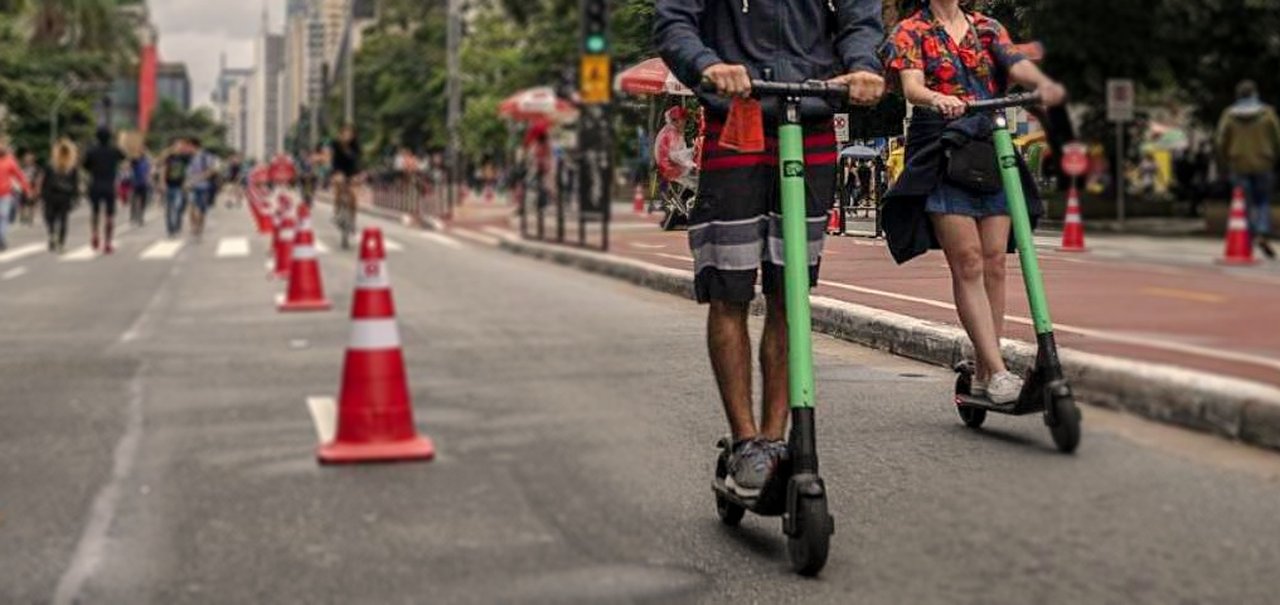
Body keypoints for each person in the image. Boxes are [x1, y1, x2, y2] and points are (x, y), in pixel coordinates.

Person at [656, 0, 885, 497]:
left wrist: (864, 64)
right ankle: (744, 444)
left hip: (811, 120)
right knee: (730, 287)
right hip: (737, 121)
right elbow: (674, 20)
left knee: (790, 289)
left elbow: (860, 19)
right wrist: (707, 65)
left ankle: (774, 441)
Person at [882, 0, 1067, 404]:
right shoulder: (912, 31)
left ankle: (985, 370)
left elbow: (1015, 62)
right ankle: (997, 371)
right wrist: (937, 98)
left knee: (996, 261)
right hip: (942, 143)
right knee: (967, 259)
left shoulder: (986, 27)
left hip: (989, 139)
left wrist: (1043, 86)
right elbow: (912, 86)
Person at [1215, 79, 1280, 259]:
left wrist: (1225, 160)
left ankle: (1248, 238)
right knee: (1263, 200)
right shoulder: (1268, 114)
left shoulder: (1228, 115)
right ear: (1255, 93)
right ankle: (1262, 231)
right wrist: (1273, 156)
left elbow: (1220, 141)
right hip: (1264, 162)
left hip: (1238, 163)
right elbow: (1277, 138)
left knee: (1244, 204)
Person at [82, 127, 126, 253]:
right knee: (109, 215)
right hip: (110, 185)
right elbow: (123, 156)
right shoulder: (114, 151)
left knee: (95, 212)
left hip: (95, 184)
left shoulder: (91, 151)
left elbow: (85, 166)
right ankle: (107, 242)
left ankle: (95, 234)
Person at [42, 139, 79, 253]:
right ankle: (61, 243)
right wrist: (75, 198)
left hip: (51, 196)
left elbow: (45, 182)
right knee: (63, 220)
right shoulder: (71, 167)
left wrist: (43, 196)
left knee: (50, 218)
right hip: (65, 197)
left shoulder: (51, 165)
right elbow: (75, 185)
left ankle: (52, 233)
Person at [0, 138, 34, 251]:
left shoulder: (10, 160)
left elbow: (19, 176)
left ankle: (1, 238)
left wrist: (27, 189)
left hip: (5, 194)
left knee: (4, 216)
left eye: (2, 145)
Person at [185, 138, 217, 242]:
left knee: (202, 209)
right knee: (191, 207)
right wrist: (187, 182)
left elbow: (211, 170)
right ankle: (194, 226)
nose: (187, 148)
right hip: (191, 187)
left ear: (194, 146)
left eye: (188, 146)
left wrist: (199, 178)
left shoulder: (206, 156)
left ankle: (200, 227)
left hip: (203, 186)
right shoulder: (188, 158)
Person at [329, 124, 362, 221]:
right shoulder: (335, 144)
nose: (346, 136)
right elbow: (331, 156)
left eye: (349, 134)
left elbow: (357, 159)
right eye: (344, 134)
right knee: (338, 184)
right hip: (338, 168)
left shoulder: (355, 145)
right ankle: (337, 210)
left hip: (352, 170)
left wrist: (358, 176)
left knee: (354, 195)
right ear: (340, 134)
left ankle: (353, 218)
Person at [161, 138, 192, 238]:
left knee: (179, 207)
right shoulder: (169, 157)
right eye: (177, 145)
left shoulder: (185, 158)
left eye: (180, 146)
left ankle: (177, 224)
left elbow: (189, 169)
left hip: (180, 186)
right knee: (169, 208)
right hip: (169, 185)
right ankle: (171, 229)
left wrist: (187, 182)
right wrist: (163, 183)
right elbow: (163, 169)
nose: (179, 147)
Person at [129, 152, 152, 226]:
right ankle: (133, 216)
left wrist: (148, 179)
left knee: (143, 201)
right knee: (134, 200)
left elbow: (148, 171)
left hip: (144, 184)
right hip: (135, 184)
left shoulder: (146, 162)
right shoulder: (135, 162)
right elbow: (131, 164)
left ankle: (141, 216)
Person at [19, 150, 42, 226]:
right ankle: (23, 217)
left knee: (32, 203)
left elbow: (39, 177)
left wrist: (38, 188)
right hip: (23, 187)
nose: (27, 160)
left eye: (29, 159)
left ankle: (31, 218)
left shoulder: (36, 168)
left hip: (32, 187)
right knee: (22, 204)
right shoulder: (22, 167)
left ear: (33, 160)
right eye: (26, 159)